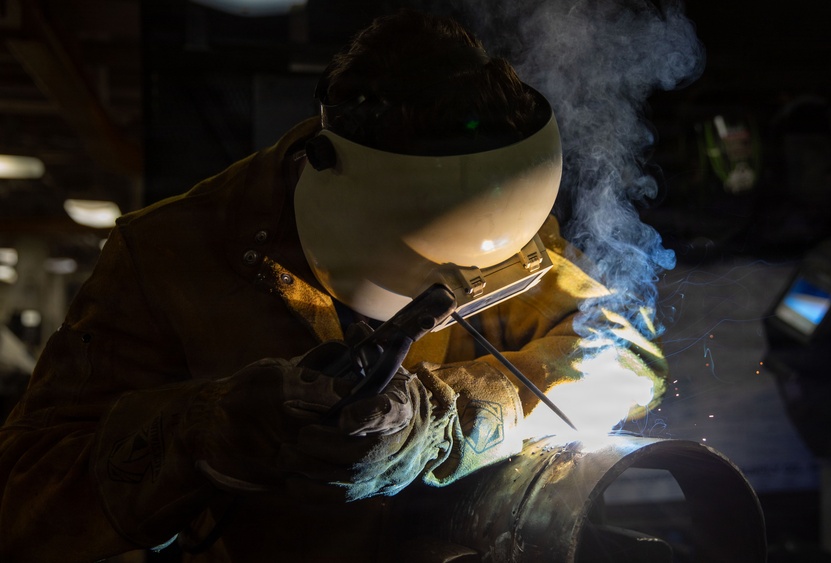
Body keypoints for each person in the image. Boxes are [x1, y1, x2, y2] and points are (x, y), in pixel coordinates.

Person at [0, 10, 665, 562]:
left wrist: (437, 424)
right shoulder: (168, 254)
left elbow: (626, 360)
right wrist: (205, 430)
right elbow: (25, 502)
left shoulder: (505, 226)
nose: (470, 273)